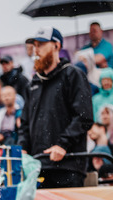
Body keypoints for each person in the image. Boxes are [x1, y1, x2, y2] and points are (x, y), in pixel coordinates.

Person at [18, 26, 94, 189]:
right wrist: (23, 148)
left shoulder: (73, 74)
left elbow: (84, 116)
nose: (36, 50)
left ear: (56, 46)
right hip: (38, 166)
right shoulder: (34, 83)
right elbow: (24, 122)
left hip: (68, 166)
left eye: (41, 45)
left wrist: (62, 145)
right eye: (35, 45)